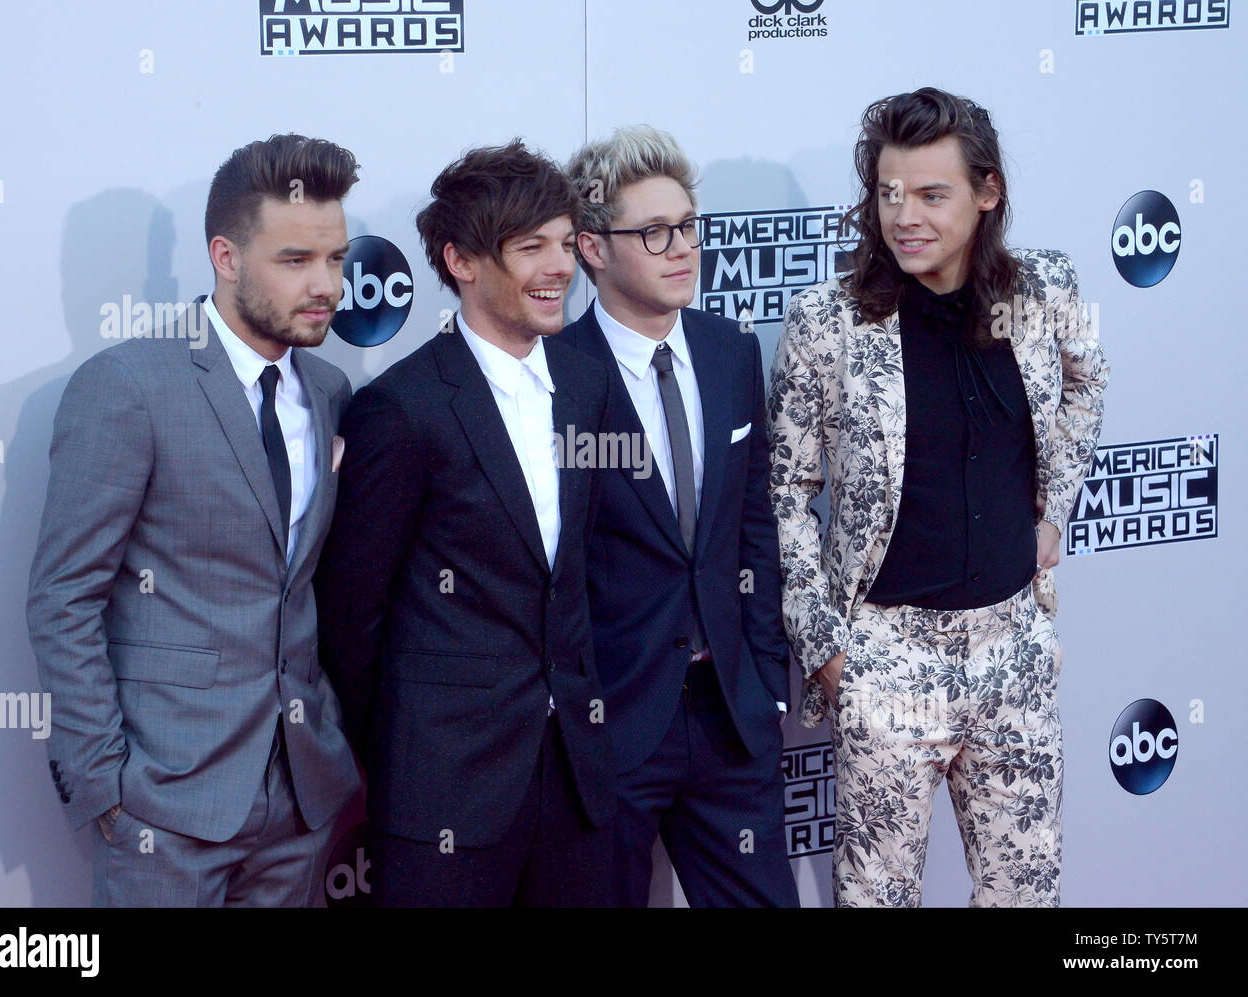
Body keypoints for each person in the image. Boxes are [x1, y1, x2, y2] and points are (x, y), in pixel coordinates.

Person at [768, 88, 1109, 907]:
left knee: (1027, 897)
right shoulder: (829, 320)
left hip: (1015, 649)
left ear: (987, 192)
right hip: (886, 655)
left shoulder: (1048, 287)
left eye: (930, 193)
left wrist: (1052, 510)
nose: (904, 216)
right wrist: (830, 652)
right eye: (888, 193)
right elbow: (784, 490)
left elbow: (1087, 380)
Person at [27, 134, 362, 906]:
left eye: (336, 259)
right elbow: (62, 596)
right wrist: (103, 782)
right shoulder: (128, 385)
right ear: (226, 255)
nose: (326, 286)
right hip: (163, 804)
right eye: (295, 260)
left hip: (301, 800)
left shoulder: (331, 389)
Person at [315, 140, 616, 907]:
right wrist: (409, 752)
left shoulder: (585, 385)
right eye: (530, 247)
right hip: (443, 792)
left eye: (562, 241)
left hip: (577, 781)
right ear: (462, 261)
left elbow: (578, 576)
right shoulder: (403, 408)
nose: (559, 266)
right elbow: (353, 616)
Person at [561, 126, 797, 907]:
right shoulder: (557, 376)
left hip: (730, 712)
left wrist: (765, 678)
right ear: (592, 249)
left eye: (689, 227)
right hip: (615, 722)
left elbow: (754, 527)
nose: (681, 249)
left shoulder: (731, 349)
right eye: (654, 232)